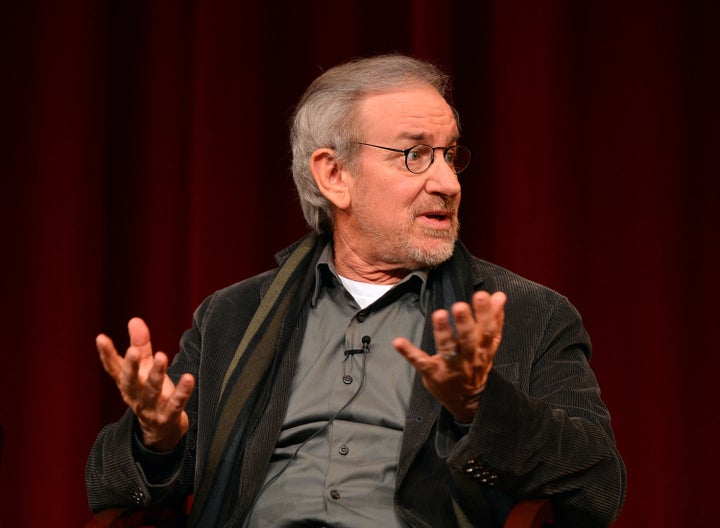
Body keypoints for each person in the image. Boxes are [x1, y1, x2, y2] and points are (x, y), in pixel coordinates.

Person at [86, 54, 626, 527]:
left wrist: (479, 408)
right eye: (415, 155)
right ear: (334, 175)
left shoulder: (530, 314)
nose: (448, 183)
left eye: (449, 155)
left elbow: (599, 486)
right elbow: (107, 490)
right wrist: (155, 441)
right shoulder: (234, 315)